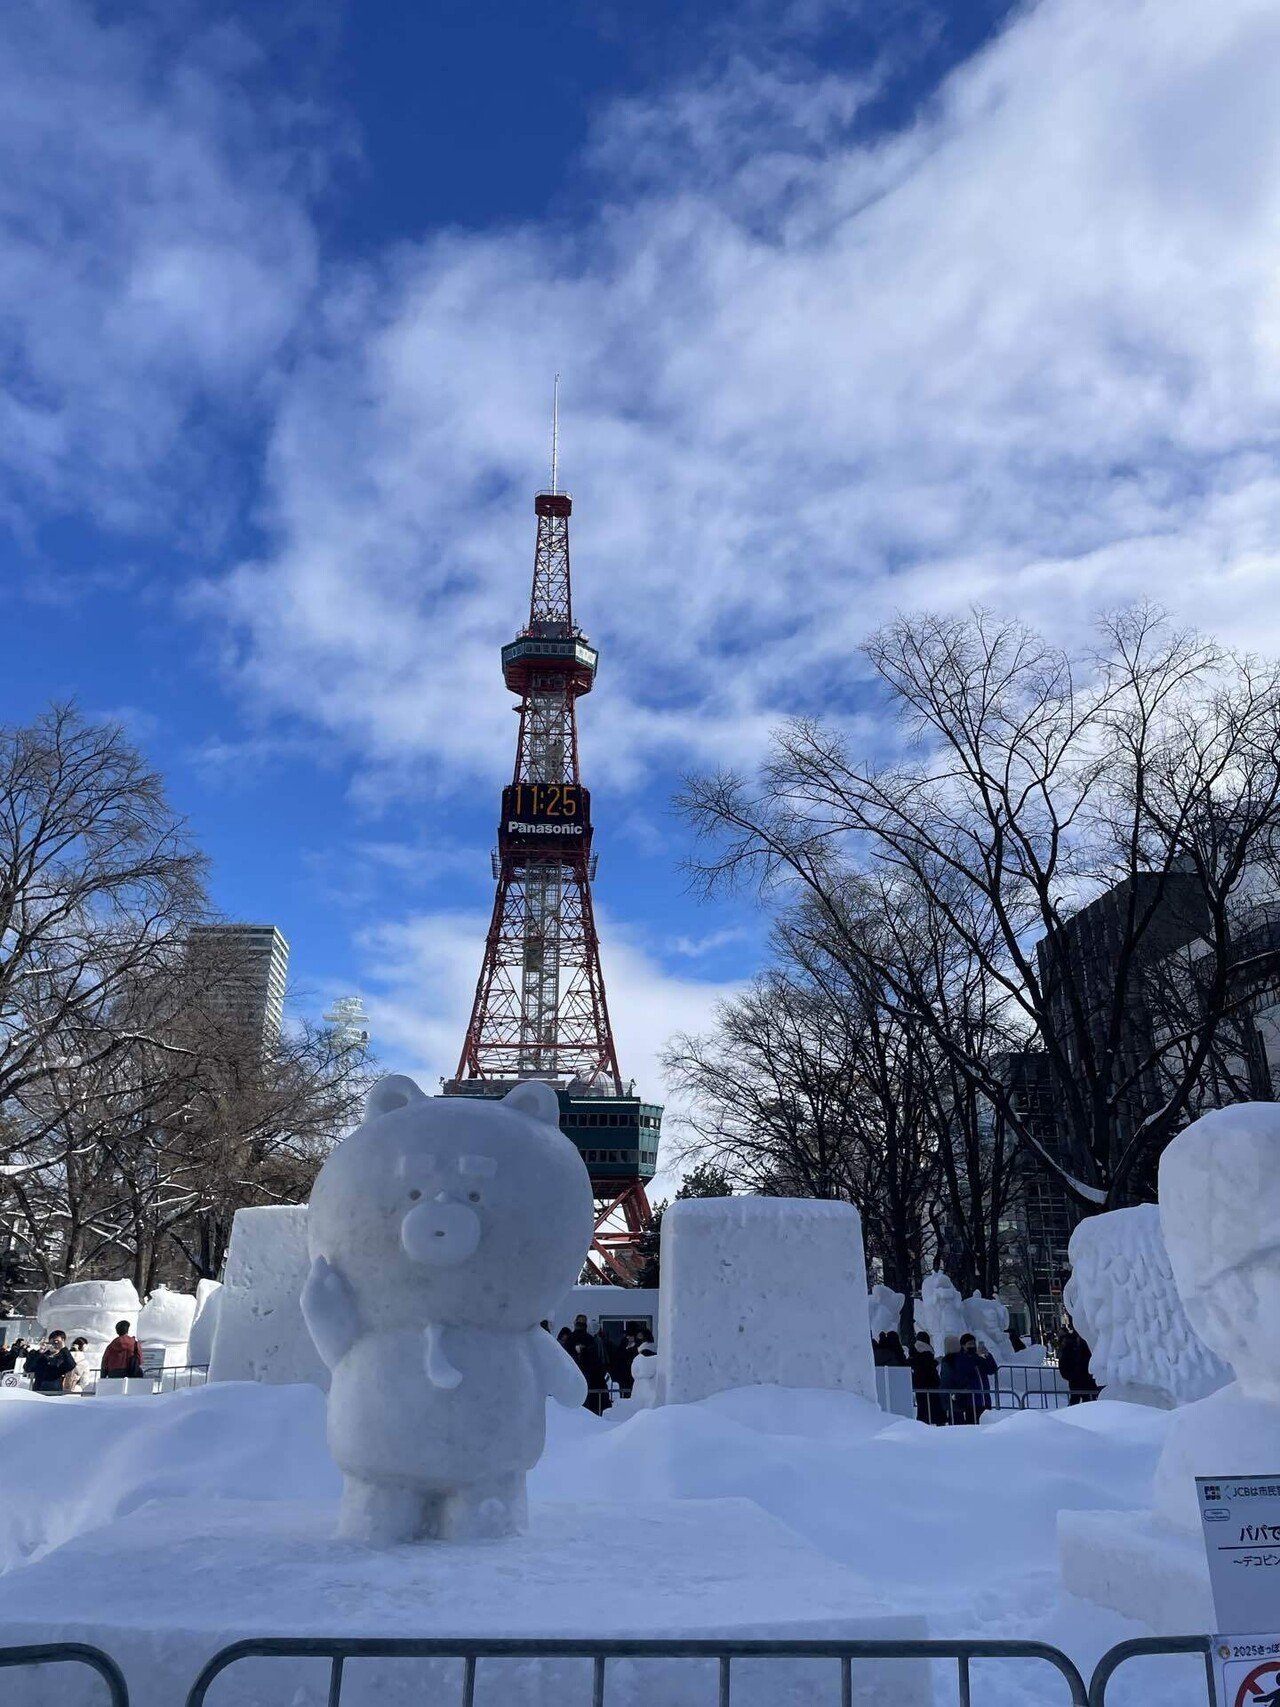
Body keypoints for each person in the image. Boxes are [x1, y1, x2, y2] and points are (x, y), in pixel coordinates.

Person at [567, 1313, 610, 1415]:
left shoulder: (570, 1339)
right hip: (588, 1375)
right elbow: (596, 1359)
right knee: (586, 1402)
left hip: (574, 1373)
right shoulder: (590, 1340)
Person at [938, 1334, 983, 1425]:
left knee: (954, 1420)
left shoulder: (946, 1361)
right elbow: (960, 1376)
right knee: (959, 1420)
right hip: (957, 1394)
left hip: (949, 1393)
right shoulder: (958, 1359)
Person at [1056, 1317, 1099, 1403]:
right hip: (1081, 1376)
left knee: (1078, 1398)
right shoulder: (1073, 1342)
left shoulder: (1070, 1341)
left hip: (1079, 1377)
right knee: (1083, 1398)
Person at [27, 1329, 76, 1394]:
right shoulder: (40, 1355)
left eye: (57, 1342)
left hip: (54, 1391)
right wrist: (39, 1353)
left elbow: (71, 1365)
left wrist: (63, 1348)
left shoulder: (63, 1357)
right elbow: (28, 1368)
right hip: (38, 1390)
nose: (54, 1345)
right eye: (51, 1342)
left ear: (63, 1341)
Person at [909, 1331, 941, 1424]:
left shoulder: (914, 1352)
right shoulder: (927, 1353)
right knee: (932, 1411)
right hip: (930, 1386)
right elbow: (928, 1368)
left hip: (920, 1387)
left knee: (923, 1411)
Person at [961, 1332, 997, 1415]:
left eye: (974, 1343)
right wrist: (976, 1356)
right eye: (969, 1344)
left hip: (985, 1399)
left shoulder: (979, 1359)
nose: (972, 1346)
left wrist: (987, 1355)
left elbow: (992, 1369)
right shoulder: (962, 1359)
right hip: (971, 1401)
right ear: (963, 1346)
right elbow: (967, 1370)